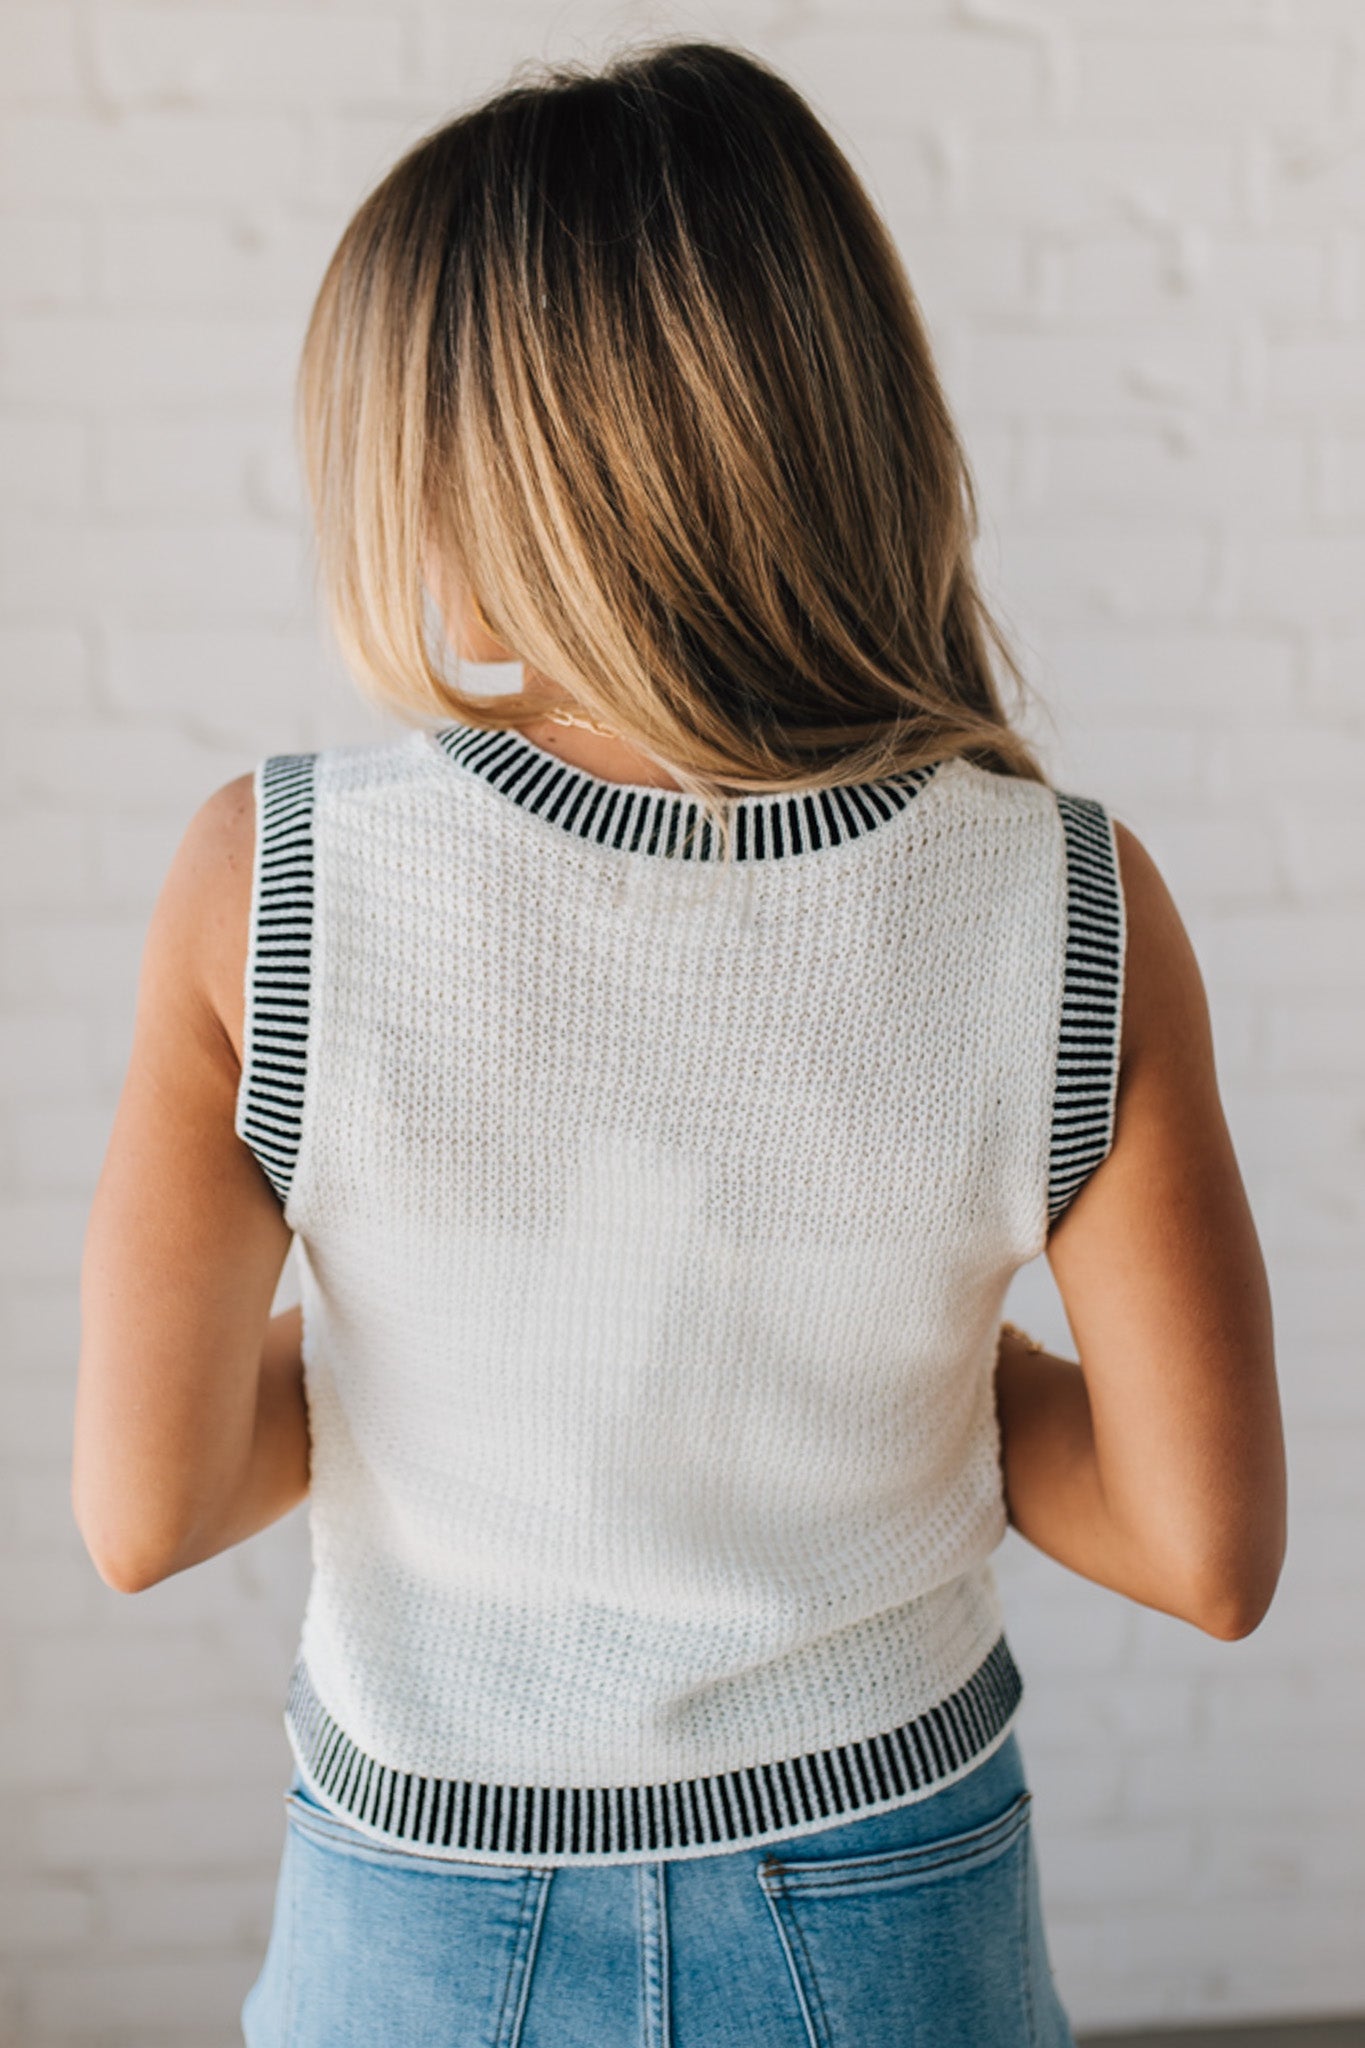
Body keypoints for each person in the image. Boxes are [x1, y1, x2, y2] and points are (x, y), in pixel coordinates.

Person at [71, 36, 1286, 2048]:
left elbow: (149, 1505)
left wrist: (469, 1333)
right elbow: (1200, 1544)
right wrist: (856, 1348)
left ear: (460, 468)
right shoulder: (1068, 904)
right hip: (892, 1890)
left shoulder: (271, 885)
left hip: (421, 1907)